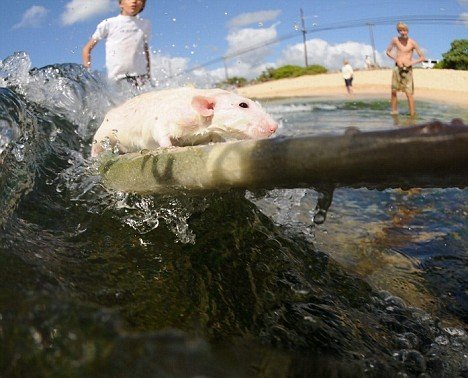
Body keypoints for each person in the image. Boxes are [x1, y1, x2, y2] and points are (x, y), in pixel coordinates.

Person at [82, 0, 151, 87]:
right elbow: (87, 49)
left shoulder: (145, 24)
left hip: (141, 76)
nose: (134, 1)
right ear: (120, 3)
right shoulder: (108, 23)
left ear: (143, 5)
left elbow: (145, 50)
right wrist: (88, 74)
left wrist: (149, 74)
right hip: (117, 77)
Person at [386, 22, 425, 116]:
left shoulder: (412, 42)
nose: (403, 32)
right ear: (398, 31)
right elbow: (388, 51)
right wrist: (396, 58)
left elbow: (422, 57)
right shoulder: (395, 40)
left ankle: (412, 115)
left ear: (407, 30)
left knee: (409, 93)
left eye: (404, 30)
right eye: (400, 31)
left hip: (408, 70)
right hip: (397, 68)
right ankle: (394, 113)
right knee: (394, 92)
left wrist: (411, 62)